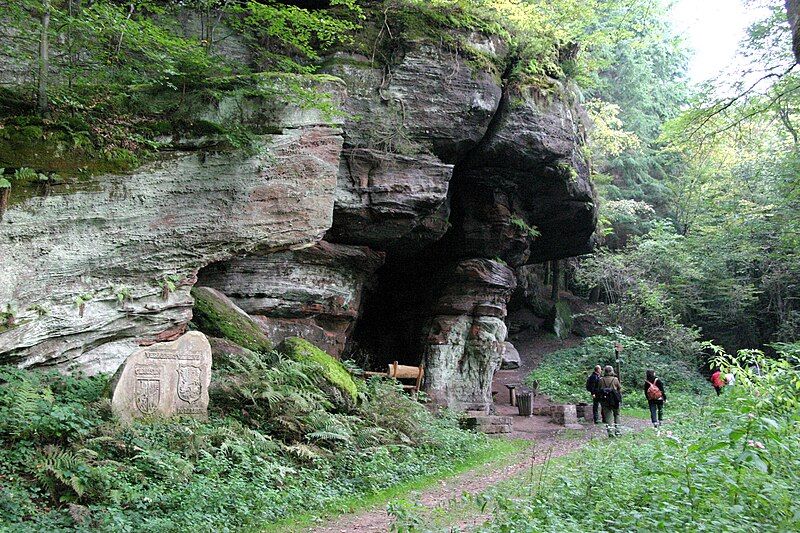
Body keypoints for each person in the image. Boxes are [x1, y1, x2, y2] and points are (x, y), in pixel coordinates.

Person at [597, 365, 622, 437]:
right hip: (614, 400)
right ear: (612, 371)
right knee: (617, 415)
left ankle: (610, 432)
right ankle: (618, 431)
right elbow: (619, 388)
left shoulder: (601, 380)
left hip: (605, 400)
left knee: (608, 416)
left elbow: (599, 389)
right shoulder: (615, 379)